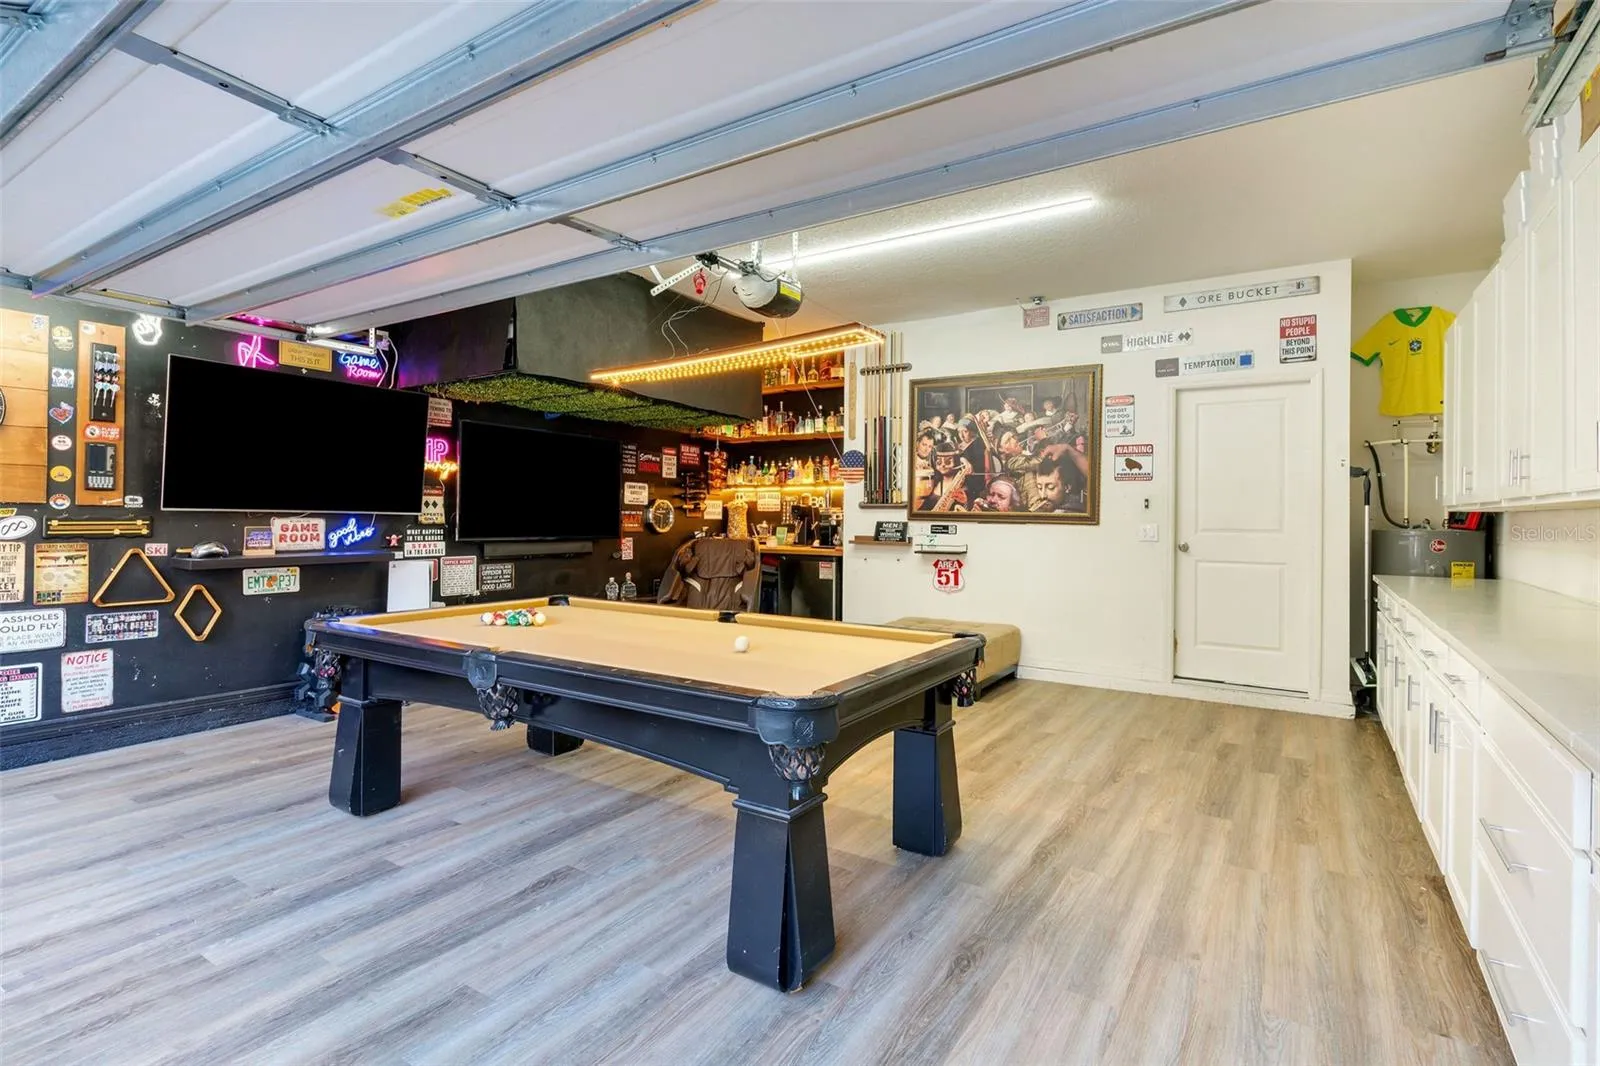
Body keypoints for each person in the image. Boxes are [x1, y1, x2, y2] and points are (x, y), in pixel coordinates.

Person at [916, 442, 970, 511]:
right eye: (939, 462)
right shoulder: (934, 483)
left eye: (948, 461)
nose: (943, 465)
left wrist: (965, 503)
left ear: (956, 462)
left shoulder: (963, 487)